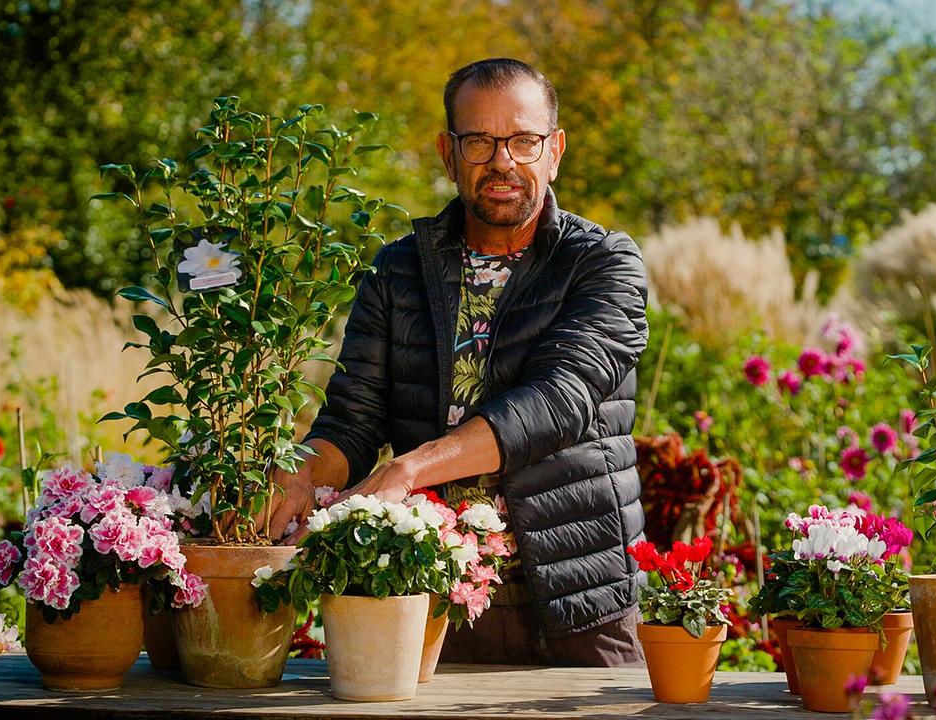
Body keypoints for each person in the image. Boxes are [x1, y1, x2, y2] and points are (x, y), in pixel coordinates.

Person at [266, 58, 649, 667]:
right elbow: (352, 421)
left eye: (524, 141)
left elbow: (558, 401)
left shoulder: (602, 263)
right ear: (448, 153)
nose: (503, 161)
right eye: (480, 142)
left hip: (577, 601)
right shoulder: (396, 271)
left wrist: (408, 471)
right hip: (428, 597)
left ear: (555, 151)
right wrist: (298, 478)